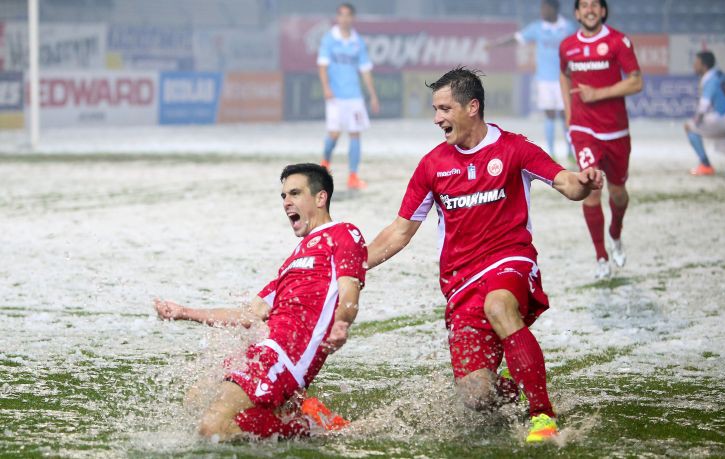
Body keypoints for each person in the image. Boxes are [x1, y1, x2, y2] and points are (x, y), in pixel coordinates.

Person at [366, 68, 603, 443]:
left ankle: (543, 417)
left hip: (510, 261)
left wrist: (584, 183)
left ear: (472, 107)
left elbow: (566, 183)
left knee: (498, 307)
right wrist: (354, 263)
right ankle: (519, 389)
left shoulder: (514, 148)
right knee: (476, 395)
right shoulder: (432, 165)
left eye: (444, 109)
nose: (437, 118)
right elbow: (399, 231)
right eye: (435, 109)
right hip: (461, 284)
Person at [154, 163, 367, 441]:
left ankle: (309, 428)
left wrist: (342, 323)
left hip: (285, 358)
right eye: (283, 196)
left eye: (294, 193)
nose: (286, 202)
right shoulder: (291, 264)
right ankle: (293, 418)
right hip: (262, 350)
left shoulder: (344, 234)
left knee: (211, 427)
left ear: (320, 198)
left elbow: (349, 289)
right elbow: (249, 315)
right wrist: (184, 312)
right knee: (194, 401)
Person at [559, 0, 644, 279]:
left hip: (616, 132)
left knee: (618, 193)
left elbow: (636, 81)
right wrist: (570, 114)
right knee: (591, 188)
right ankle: (601, 257)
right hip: (584, 131)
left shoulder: (619, 41)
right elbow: (564, 74)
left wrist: (598, 94)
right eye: (584, 5)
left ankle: (615, 233)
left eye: (595, 4)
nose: (590, 9)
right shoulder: (567, 46)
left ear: (603, 11)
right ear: (577, 13)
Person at [486, 0, 576, 161]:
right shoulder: (537, 27)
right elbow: (516, 38)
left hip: (563, 78)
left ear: (554, 9)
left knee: (565, 115)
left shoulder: (568, 27)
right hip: (544, 80)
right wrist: (495, 44)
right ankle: (551, 152)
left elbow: (577, 47)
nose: (542, 11)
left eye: (545, 8)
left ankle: (570, 151)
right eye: (541, 8)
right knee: (549, 115)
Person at [318, 2, 380, 190]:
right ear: (337, 17)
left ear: (352, 18)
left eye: (348, 15)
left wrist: (373, 95)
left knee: (355, 134)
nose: (344, 18)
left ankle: (353, 176)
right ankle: (324, 164)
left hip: (354, 97)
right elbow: (322, 66)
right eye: (341, 15)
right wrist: (326, 88)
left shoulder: (357, 41)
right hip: (336, 96)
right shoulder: (329, 39)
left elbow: (365, 70)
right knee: (334, 134)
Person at [684, 50, 725, 176]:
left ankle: (705, 165)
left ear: (704, 65)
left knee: (689, 127)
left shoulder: (709, 79)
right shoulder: (720, 75)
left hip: (722, 120)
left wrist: (696, 121)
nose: (694, 66)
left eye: (696, 62)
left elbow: (704, 105)